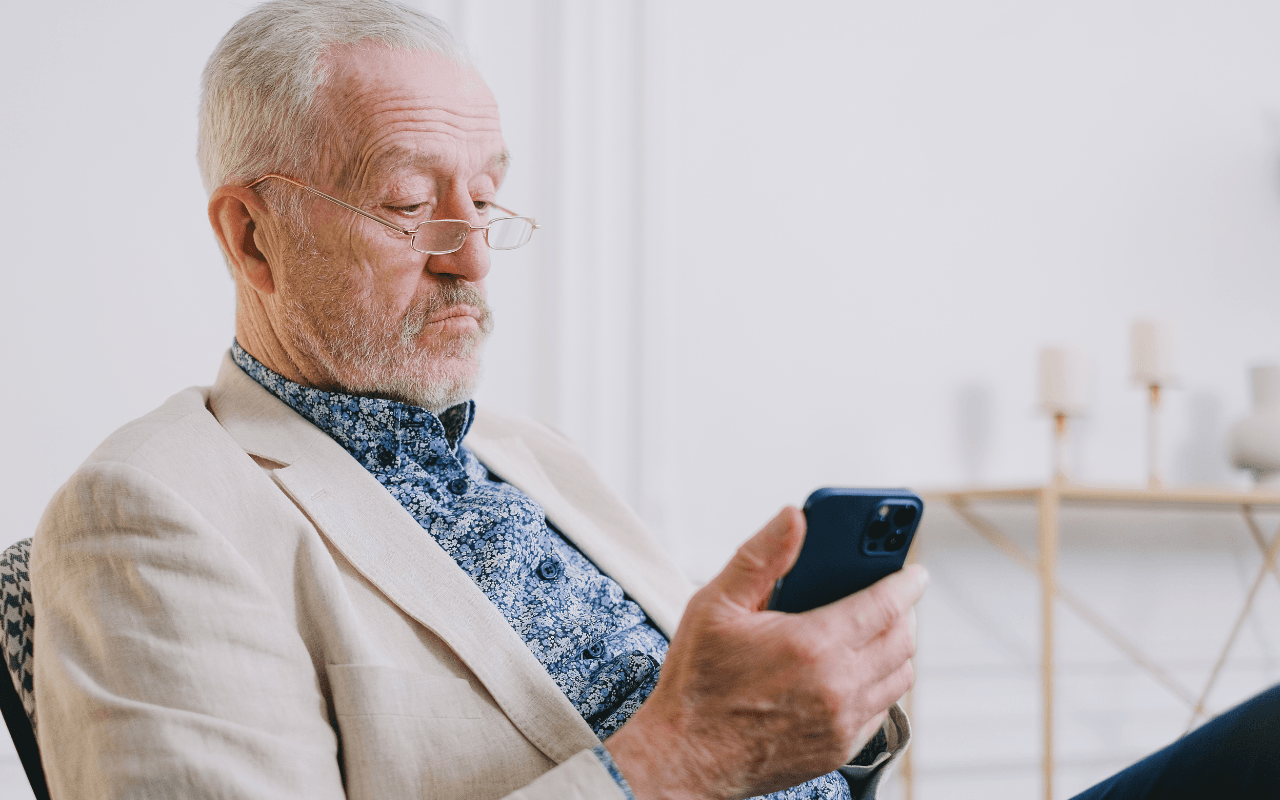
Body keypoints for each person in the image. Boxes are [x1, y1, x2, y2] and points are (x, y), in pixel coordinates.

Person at [31, 2, 919, 799]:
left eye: (486, 197)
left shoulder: (537, 453)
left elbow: (736, 717)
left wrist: (830, 703)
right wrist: (683, 759)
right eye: (412, 203)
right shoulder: (148, 513)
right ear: (253, 235)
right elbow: (699, 742)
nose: (475, 257)